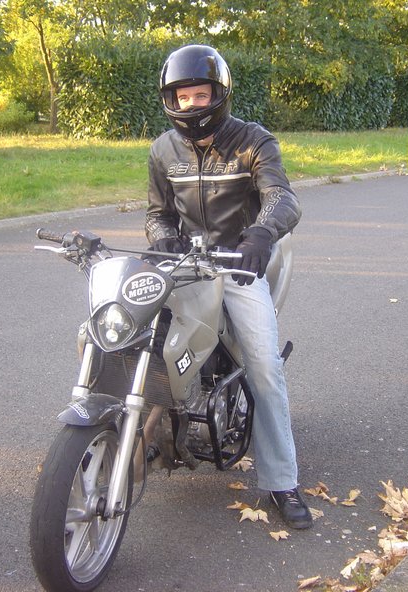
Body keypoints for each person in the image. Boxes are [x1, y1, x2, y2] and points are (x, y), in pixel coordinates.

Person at [145, 44, 312, 530]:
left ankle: (282, 481)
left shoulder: (253, 141)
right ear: (170, 98)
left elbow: (281, 196)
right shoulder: (162, 150)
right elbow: (157, 214)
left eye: (201, 94)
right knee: (132, 337)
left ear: (219, 95)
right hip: (180, 264)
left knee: (263, 367)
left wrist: (260, 234)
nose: (192, 104)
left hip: (236, 265)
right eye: (183, 95)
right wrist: (164, 240)